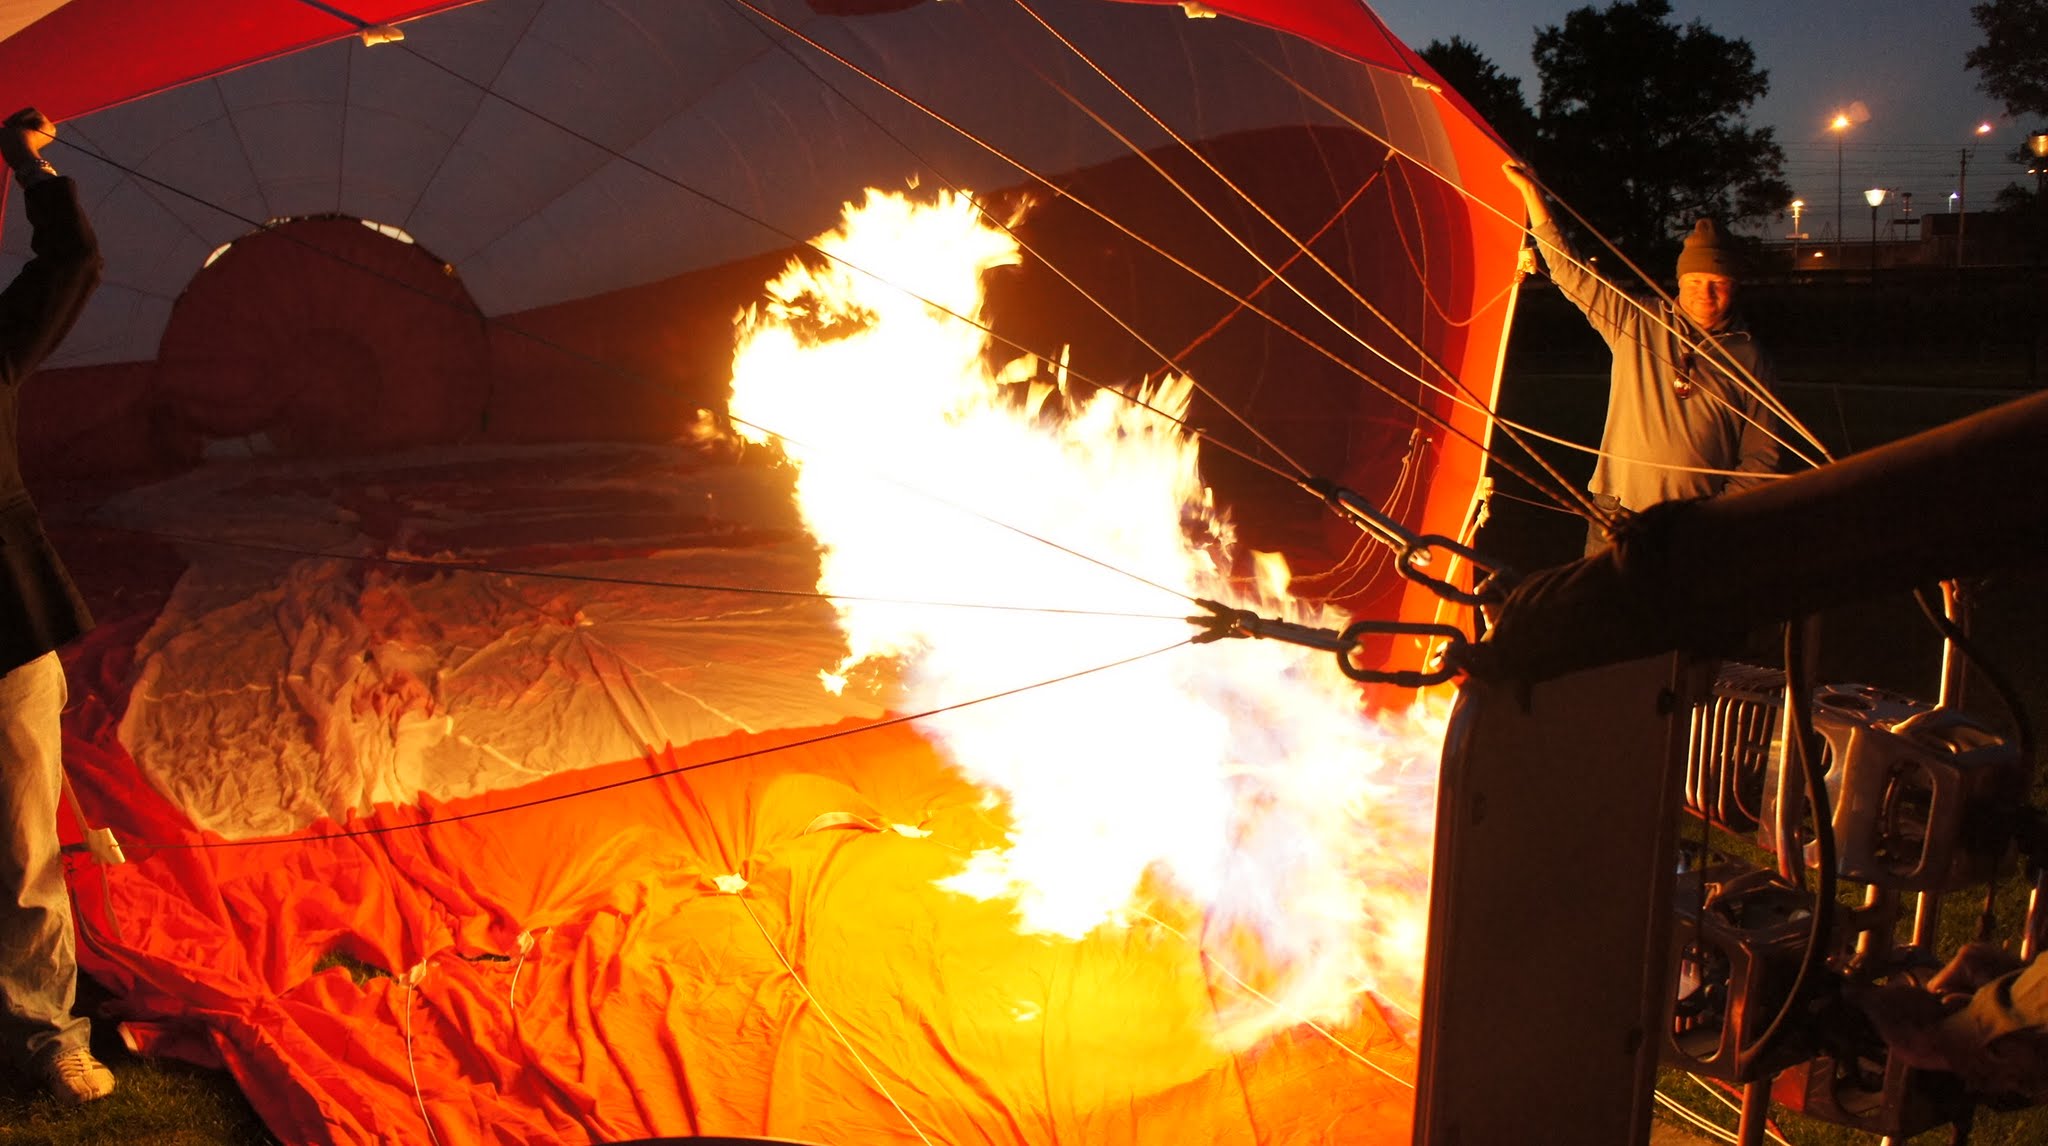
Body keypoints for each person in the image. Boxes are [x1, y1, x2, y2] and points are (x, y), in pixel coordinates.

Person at [0, 106, 113, 1104]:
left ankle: (42, 1032)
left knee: (25, 844)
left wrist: (28, 169)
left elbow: (71, 259)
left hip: (1, 623)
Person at [1501, 162, 1785, 554]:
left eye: (1717, 283)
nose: (1706, 293)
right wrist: (1533, 195)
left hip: (1695, 523)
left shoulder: (1750, 356)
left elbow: (1761, 459)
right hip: (1616, 513)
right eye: (1695, 281)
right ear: (1680, 281)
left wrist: (1715, 515)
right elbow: (1571, 274)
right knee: (1600, 610)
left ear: (1734, 287)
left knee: (1678, 616)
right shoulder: (1637, 319)